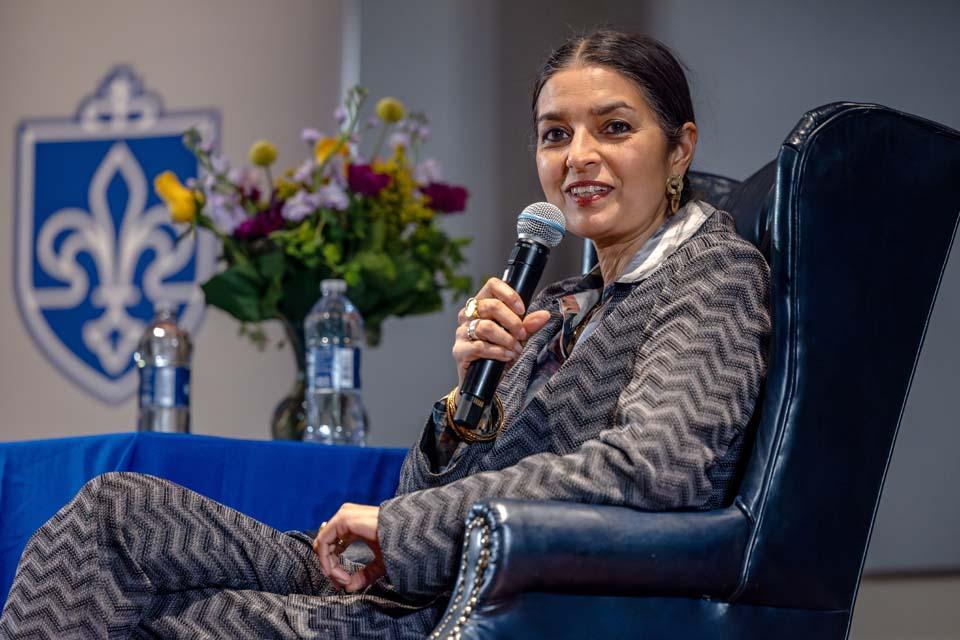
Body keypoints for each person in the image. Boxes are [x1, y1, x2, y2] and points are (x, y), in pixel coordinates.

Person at [0, 29, 770, 639]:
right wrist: (466, 398)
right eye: (554, 135)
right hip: (416, 575)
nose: (580, 158)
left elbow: (652, 472)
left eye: (614, 128)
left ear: (681, 146)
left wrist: (403, 528)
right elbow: (421, 492)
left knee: (135, 619)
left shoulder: (712, 274)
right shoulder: (563, 300)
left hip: (498, 598)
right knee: (114, 515)